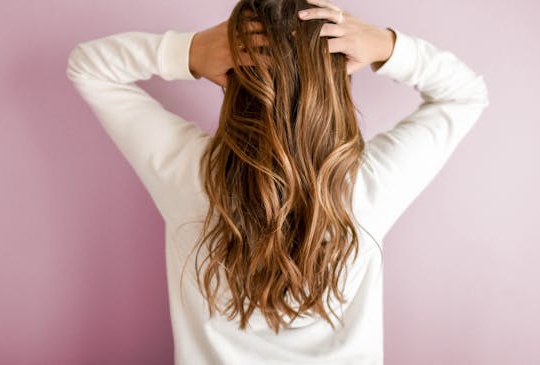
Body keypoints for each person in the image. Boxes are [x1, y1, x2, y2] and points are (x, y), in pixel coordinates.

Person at [65, 0, 489, 363]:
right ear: (335, 85)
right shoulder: (365, 188)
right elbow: (466, 93)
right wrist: (386, 46)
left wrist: (189, 51)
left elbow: (88, 67)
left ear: (233, 76)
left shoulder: (191, 176)